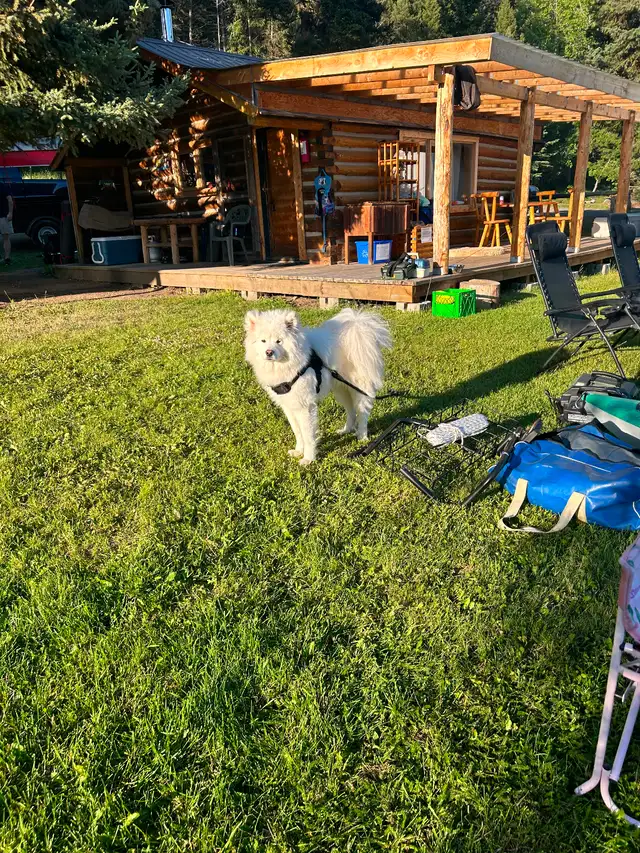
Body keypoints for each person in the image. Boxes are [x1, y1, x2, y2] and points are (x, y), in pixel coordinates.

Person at [0, 182, 14, 264]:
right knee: (6, 238)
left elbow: (10, 200)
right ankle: (6, 258)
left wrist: (10, 213)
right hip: (3, 216)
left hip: (3, 216)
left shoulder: (3, 186)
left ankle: (7, 258)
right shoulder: (3, 186)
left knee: (5, 237)